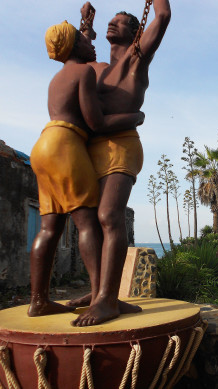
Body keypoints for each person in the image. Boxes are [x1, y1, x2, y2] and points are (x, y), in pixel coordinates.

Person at [28, 21, 144, 317]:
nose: (89, 40)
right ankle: (103, 300)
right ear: (74, 46)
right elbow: (97, 123)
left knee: (49, 227)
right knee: (88, 222)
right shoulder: (84, 73)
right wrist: (135, 116)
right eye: (83, 38)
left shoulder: (57, 78)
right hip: (66, 145)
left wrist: (86, 28)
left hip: (42, 146)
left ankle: (38, 301)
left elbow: (77, 47)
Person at [69, 1, 171, 327]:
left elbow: (163, 16)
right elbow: (75, 57)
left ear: (135, 32)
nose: (112, 26)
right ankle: (100, 291)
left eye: (120, 23)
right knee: (88, 221)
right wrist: (86, 24)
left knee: (109, 215)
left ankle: (106, 301)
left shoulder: (135, 59)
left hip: (122, 148)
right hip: (92, 150)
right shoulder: (97, 69)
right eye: (110, 22)